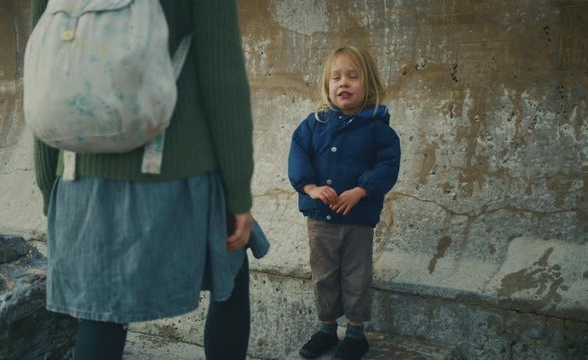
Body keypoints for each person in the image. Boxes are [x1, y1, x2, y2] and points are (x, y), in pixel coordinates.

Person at [29, 1, 262, 359]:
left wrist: (50, 184)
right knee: (229, 274)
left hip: (79, 177)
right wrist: (238, 194)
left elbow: (42, 72)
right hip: (177, 173)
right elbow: (223, 78)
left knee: (101, 315)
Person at [288, 46, 401, 360]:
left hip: (357, 219)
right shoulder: (314, 125)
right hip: (320, 219)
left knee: (356, 274)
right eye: (336, 77)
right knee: (323, 274)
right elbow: (298, 155)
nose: (344, 83)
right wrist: (309, 186)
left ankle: (355, 333)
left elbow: (388, 165)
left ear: (369, 84)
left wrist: (361, 190)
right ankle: (326, 329)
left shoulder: (378, 129)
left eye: (353, 76)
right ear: (326, 86)